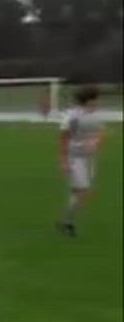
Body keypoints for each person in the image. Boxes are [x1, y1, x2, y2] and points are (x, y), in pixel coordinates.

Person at [57, 85, 105, 237]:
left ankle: (66, 221)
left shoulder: (96, 115)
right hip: (75, 158)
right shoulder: (72, 116)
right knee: (83, 191)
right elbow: (64, 138)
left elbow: (101, 133)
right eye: (96, 99)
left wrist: (96, 143)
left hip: (90, 159)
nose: (98, 101)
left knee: (80, 192)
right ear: (89, 100)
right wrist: (63, 160)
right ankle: (67, 223)